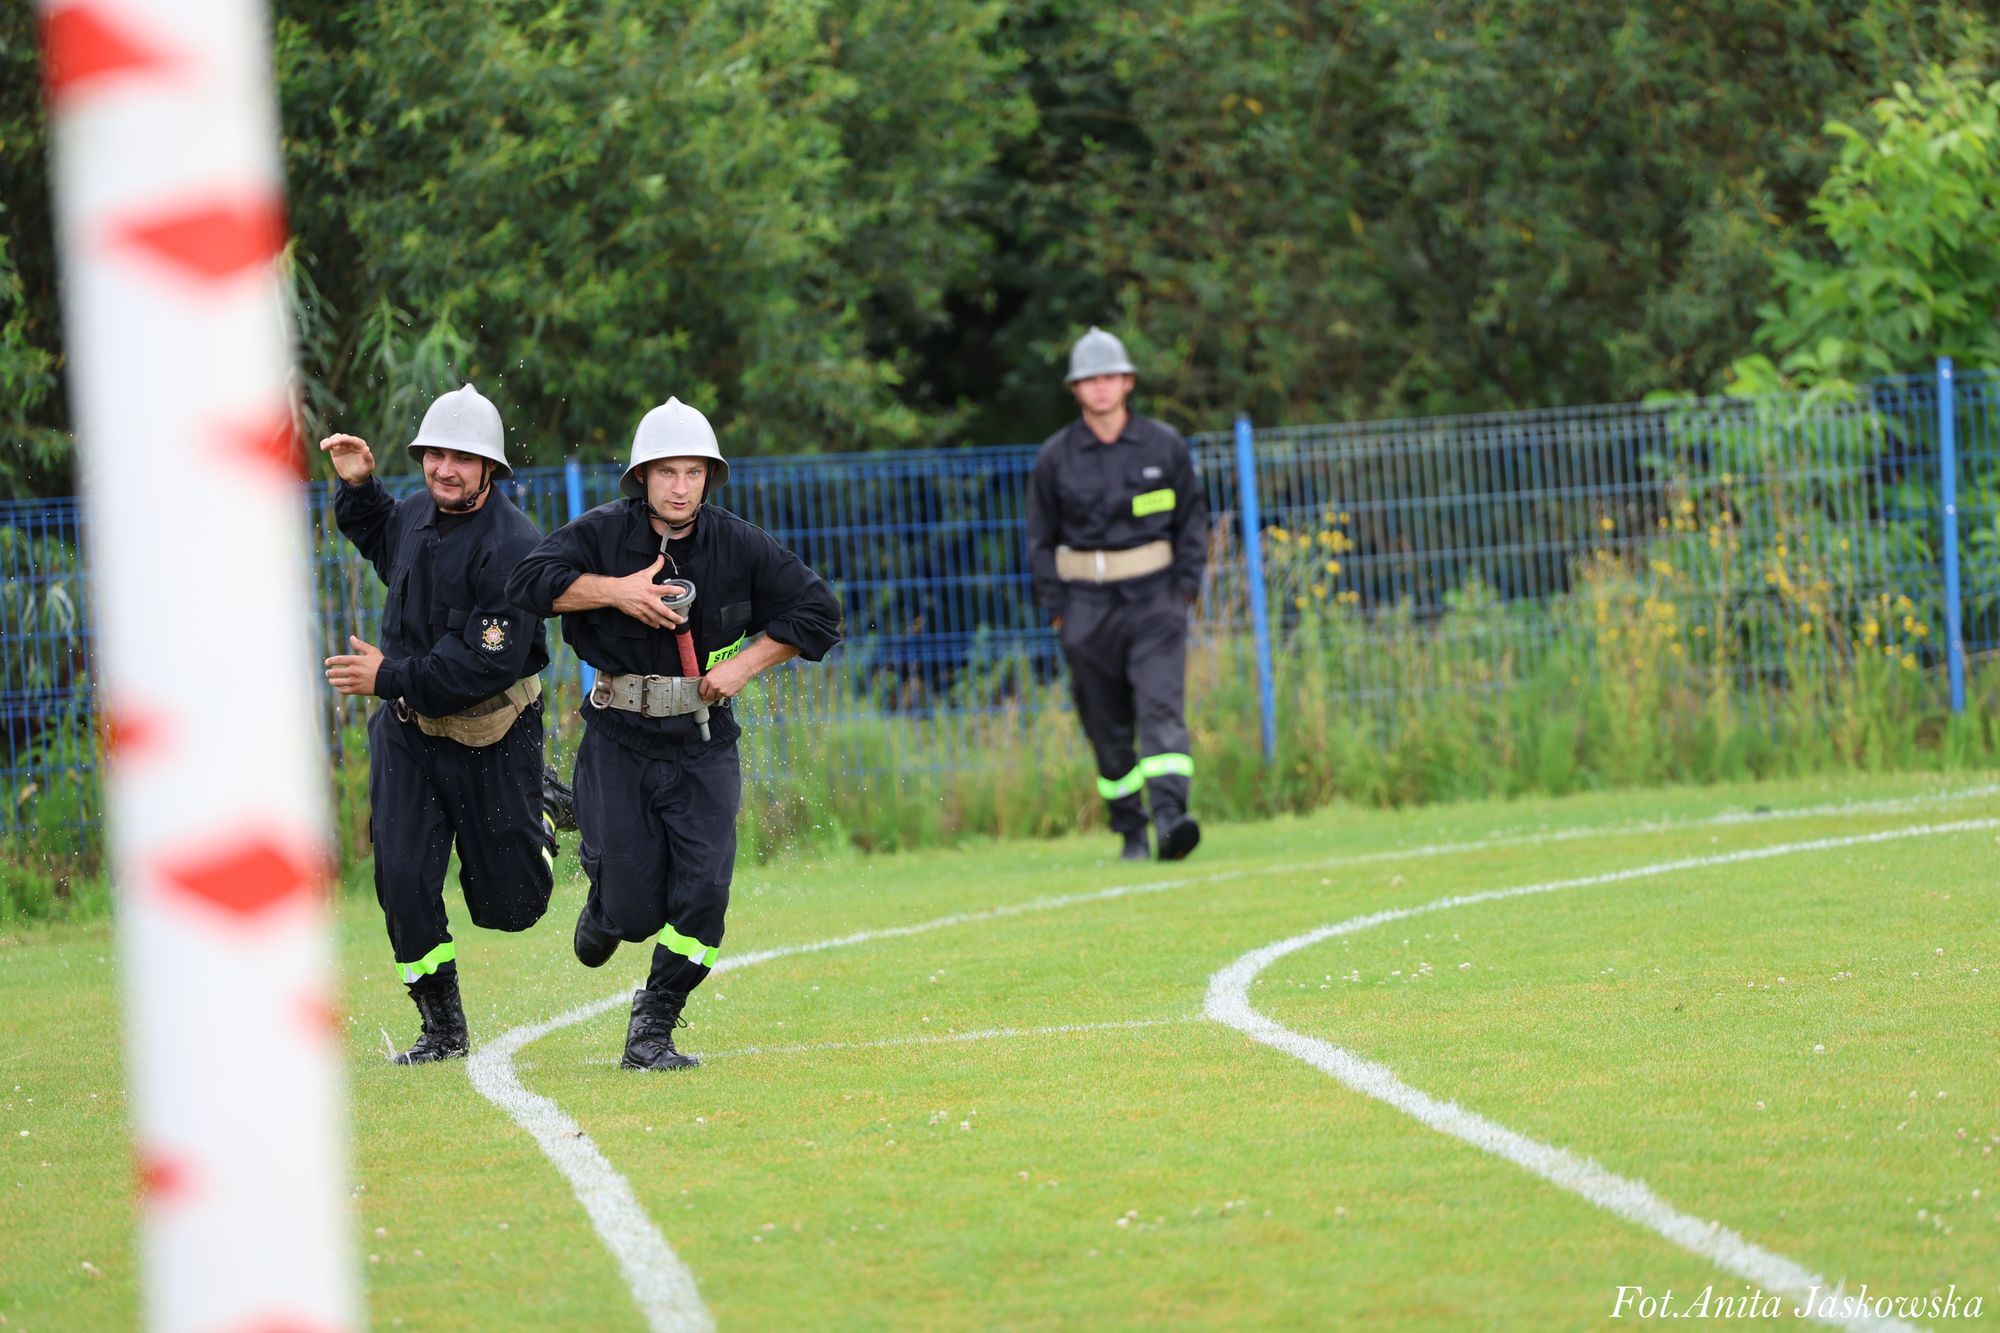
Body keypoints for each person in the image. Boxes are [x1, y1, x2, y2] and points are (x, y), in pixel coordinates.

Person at [506, 397, 842, 1071]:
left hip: (705, 740)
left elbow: (819, 613)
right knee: (633, 911)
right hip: (619, 735)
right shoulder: (602, 533)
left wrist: (744, 666)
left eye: (693, 472)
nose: (680, 487)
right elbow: (527, 584)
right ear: (642, 477)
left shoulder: (739, 544)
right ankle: (605, 893)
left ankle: (653, 1026)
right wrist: (616, 592)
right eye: (667, 472)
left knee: (705, 893)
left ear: (709, 476)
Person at [320, 384, 556, 1064]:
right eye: (435, 455)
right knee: (401, 879)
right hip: (408, 731)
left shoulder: (514, 547)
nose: (445, 469)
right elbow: (381, 539)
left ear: (489, 468)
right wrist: (360, 488)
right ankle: (442, 1028)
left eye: (462, 458)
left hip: (493, 735)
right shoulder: (418, 514)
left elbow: (481, 665)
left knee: (512, 907)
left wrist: (387, 675)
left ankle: (542, 807)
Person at [1026, 327, 1209, 862]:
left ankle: (1171, 820)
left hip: (1156, 601)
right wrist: (1059, 612)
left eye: (1110, 377)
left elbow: (1192, 523)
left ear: (1128, 382)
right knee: (1105, 724)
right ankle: (1130, 830)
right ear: (1076, 389)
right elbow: (1039, 542)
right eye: (1090, 380)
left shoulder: (1164, 446)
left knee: (1160, 708)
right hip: (1085, 607)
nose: (1101, 387)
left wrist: (1185, 591)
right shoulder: (1055, 458)